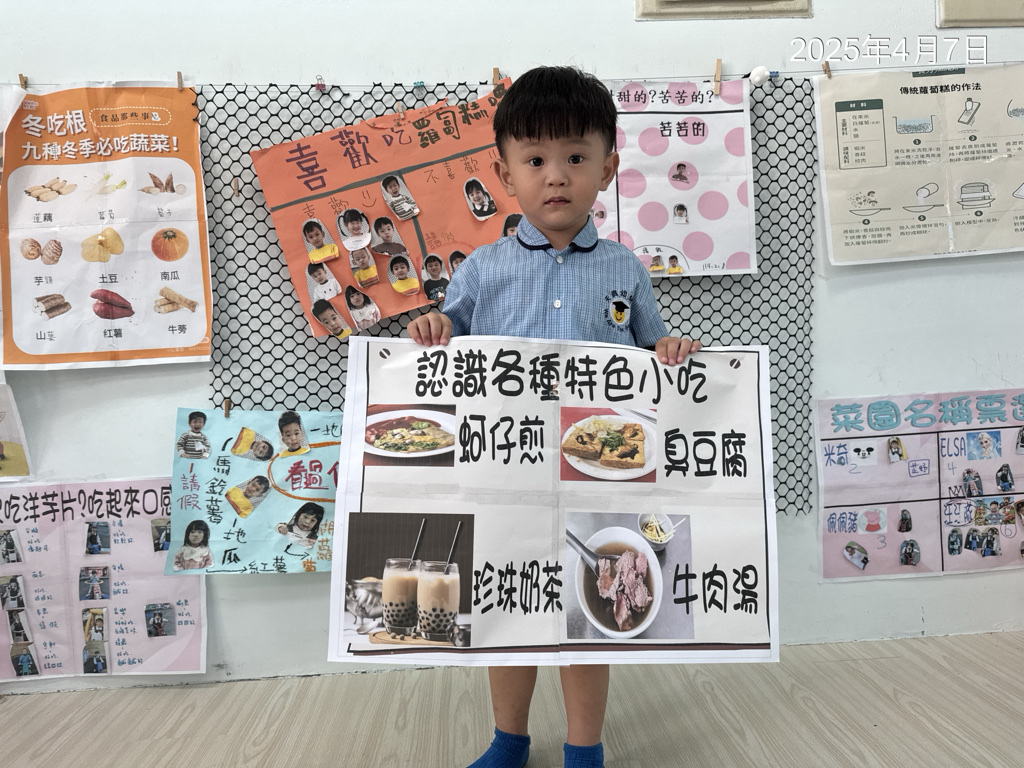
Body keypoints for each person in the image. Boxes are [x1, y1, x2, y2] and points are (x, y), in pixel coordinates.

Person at [407, 65, 701, 768]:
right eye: (535, 160)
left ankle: (584, 750)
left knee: (589, 618)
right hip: (503, 477)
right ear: (504, 174)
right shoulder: (481, 269)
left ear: (608, 169)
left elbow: (651, 353)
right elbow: (449, 339)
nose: (556, 176)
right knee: (507, 611)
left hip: (598, 480)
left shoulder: (626, 268)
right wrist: (435, 327)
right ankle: (508, 741)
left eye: (575, 156)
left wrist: (669, 350)